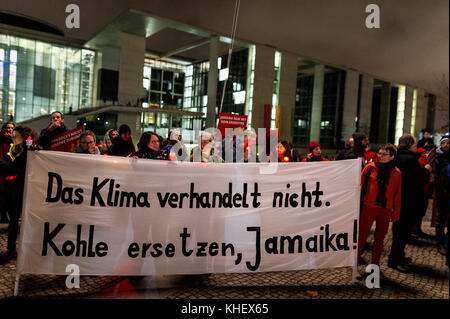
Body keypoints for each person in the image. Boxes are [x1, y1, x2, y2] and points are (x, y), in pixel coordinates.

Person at [388, 134, 430, 273]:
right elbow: (419, 180)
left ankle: (398, 256)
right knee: (403, 231)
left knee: (398, 229)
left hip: (398, 199)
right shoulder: (412, 160)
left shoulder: (395, 157)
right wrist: (426, 170)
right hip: (409, 200)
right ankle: (395, 259)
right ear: (410, 144)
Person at [358, 144, 402, 268]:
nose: (380, 156)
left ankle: (375, 266)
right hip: (369, 206)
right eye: (380, 153)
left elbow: (397, 194)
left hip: (385, 209)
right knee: (361, 237)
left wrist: (396, 212)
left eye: (384, 154)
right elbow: (360, 186)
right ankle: (354, 266)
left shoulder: (397, 173)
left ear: (392, 157)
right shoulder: (370, 168)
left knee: (380, 239)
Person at [0, 125, 38, 262]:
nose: (13, 138)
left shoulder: (29, 151)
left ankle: (29, 250)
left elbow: (13, 168)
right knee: (13, 222)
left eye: (16, 136)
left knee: (29, 222)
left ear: (25, 138)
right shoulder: (14, 150)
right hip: (14, 190)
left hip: (27, 191)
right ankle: (11, 249)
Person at [412, 147, 432, 238]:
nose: (425, 154)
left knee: (421, 211)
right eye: (423, 153)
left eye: (425, 153)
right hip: (421, 190)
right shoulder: (420, 161)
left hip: (425, 189)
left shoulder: (425, 160)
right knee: (418, 211)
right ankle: (415, 229)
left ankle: (418, 229)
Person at [434, 133, 449, 256]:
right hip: (442, 191)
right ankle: (440, 243)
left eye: (448, 143)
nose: (446, 145)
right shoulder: (438, 156)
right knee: (441, 217)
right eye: (444, 142)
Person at [0, 122, 14, 223]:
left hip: (11, 170)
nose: (9, 129)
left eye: (11, 128)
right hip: (1, 169)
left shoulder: (15, 140)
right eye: (8, 127)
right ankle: (3, 214)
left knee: (9, 194)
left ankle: (7, 214)